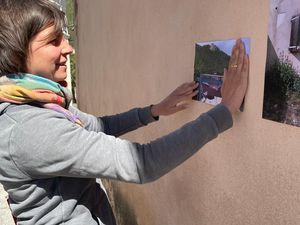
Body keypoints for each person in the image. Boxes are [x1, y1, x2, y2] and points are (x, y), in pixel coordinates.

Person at [0, 0, 249, 224]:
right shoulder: (29, 128)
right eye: (54, 41)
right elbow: (143, 163)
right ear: (18, 52)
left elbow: (98, 127)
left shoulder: (37, 103)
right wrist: (223, 111)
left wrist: (154, 111)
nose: (69, 49)